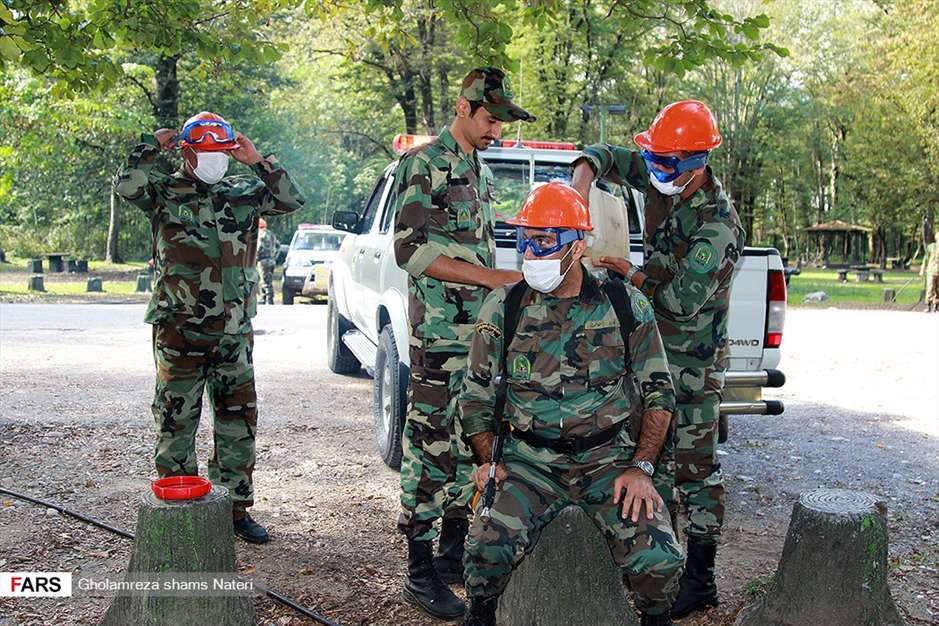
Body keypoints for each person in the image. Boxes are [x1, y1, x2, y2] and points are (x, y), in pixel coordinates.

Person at [459, 182, 683, 626]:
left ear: (577, 246)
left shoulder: (623, 303)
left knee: (659, 559)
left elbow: (660, 390)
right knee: (484, 550)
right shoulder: (505, 305)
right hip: (528, 462)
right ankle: (481, 616)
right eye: (524, 239)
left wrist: (641, 467)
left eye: (543, 241)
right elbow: (476, 394)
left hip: (608, 461)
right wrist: (489, 462)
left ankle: (655, 620)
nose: (530, 252)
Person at [571, 100, 745, 619]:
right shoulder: (660, 173)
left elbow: (680, 303)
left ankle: (701, 579)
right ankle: (658, 569)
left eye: (665, 162)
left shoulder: (719, 225)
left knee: (696, 469)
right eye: (653, 159)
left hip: (693, 364)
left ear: (696, 162)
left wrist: (629, 274)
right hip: (651, 357)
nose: (654, 170)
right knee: (652, 462)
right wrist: (582, 179)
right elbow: (604, 155)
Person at [113, 111, 305, 544]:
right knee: (176, 419)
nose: (215, 160)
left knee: (238, 421)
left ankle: (233, 510)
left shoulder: (244, 192)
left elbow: (291, 200)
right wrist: (150, 145)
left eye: (221, 152)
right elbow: (127, 185)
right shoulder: (164, 191)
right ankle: (179, 508)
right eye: (206, 152)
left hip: (233, 332)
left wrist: (257, 161)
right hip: (179, 330)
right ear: (186, 152)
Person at [393, 67, 535, 620]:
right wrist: (491, 279)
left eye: (502, 120)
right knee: (429, 447)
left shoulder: (480, 168)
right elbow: (410, 251)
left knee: (466, 440)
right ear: (462, 107)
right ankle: (418, 568)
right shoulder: (423, 164)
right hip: (438, 334)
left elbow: (477, 245)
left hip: (477, 336)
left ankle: (451, 553)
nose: (496, 129)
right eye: (490, 118)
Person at [256, 218, 279, 305]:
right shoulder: (271, 234)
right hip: (271, 260)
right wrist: (274, 256)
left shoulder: (260, 234)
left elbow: (259, 247)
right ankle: (265, 298)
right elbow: (278, 245)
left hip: (263, 261)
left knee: (264, 280)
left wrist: (255, 257)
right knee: (268, 279)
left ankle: (268, 299)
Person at [921, 231, 939, 312]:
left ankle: (936, 306)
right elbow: (926, 258)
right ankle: (928, 305)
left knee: (937, 289)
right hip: (931, 270)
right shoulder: (931, 247)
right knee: (930, 287)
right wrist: (922, 268)